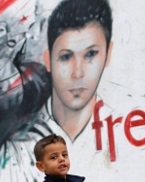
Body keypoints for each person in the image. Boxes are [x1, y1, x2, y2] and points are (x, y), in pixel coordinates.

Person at [41, 0, 113, 142]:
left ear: (108, 54)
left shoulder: (124, 129)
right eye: (66, 57)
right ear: (48, 60)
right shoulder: (18, 143)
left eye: (91, 54)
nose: (78, 73)